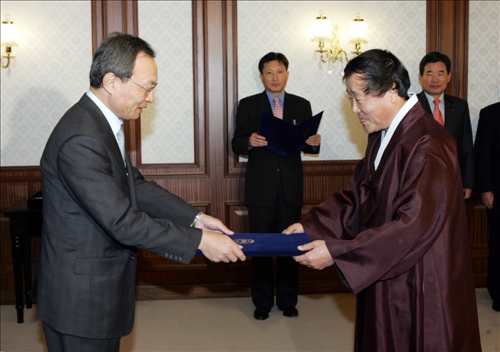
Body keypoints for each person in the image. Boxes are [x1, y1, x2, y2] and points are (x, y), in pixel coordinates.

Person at [32, 32, 246, 352]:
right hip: (79, 299)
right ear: (111, 81)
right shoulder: (81, 137)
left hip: (97, 289)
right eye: (147, 87)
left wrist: (195, 218)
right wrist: (199, 242)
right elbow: (122, 222)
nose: (151, 98)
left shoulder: (101, 124)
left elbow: (135, 187)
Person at [284, 49, 482, 351]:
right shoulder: (383, 133)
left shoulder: (429, 142)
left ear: (391, 89)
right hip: (386, 262)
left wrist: (339, 252)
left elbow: (412, 225)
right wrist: (311, 227)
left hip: (420, 275)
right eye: (349, 98)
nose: (353, 109)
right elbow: (357, 195)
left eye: (357, 98)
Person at [231, 52, 321, 320]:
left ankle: (288, 300)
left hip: (290, 187)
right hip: (261, 188)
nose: (274, 77)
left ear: (287, 74)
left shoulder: (301, 104)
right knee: (260, 247)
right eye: (269, 72)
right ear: (261, 76)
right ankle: (261, 302)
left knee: (289, 247)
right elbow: (236, 143)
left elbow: (310, 146)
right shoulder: (248, 105)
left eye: (279, 71)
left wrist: (314, 142)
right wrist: (250, 140)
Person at [417, 51, 475, 199]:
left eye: (440, 73)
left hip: (452, 181)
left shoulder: (460, 106)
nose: (435, 79)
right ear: (421, 77)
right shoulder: (410, 106)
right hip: (418, 182)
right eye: (429, 73)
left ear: (448, 77)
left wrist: (467, 182)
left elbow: (466, 146)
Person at [474, 101, 500, 312]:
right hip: (498, 193)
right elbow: (482, 153)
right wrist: (485, 189)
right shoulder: (490, 113)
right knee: (498, 245)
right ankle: (498, 293)